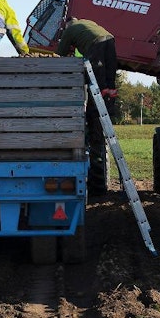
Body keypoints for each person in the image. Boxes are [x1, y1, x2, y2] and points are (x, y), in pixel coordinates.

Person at [56, 18, 120, 194]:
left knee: (97, 86)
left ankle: (95, 112)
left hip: (96, 45)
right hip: (109, 39)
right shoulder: (87, 23)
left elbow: (60, 53)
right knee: (108, 82)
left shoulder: (70, 29)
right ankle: (108, 105)